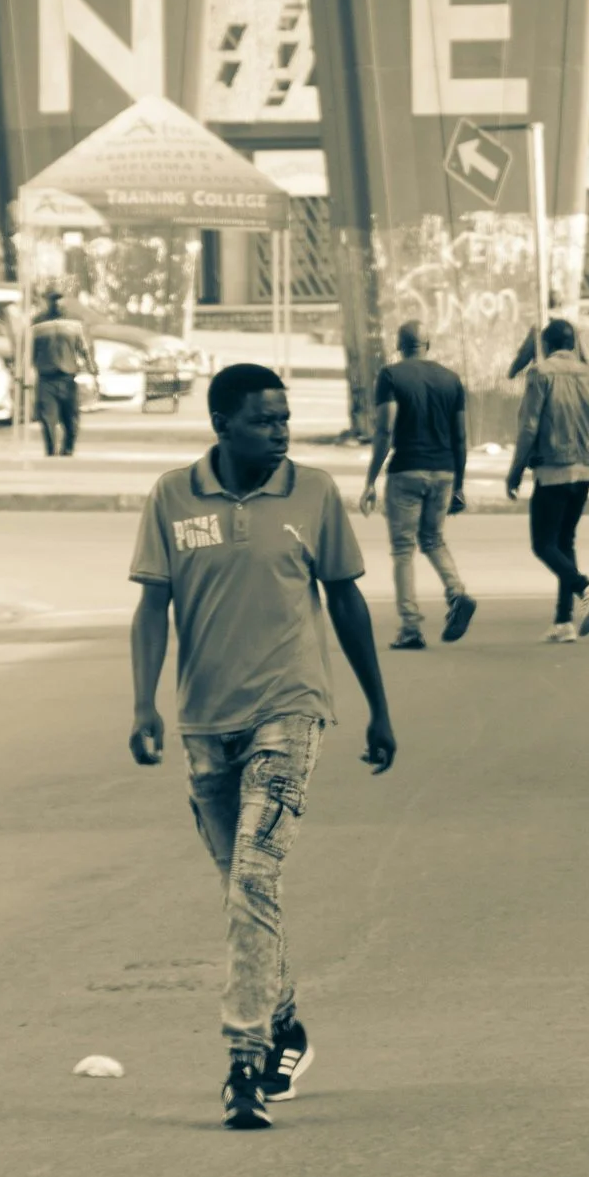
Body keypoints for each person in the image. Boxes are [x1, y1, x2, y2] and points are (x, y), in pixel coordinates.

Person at [127, 362, 397, 1130]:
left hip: (291, 708)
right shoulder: (172, 497)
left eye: (285, 418)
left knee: (254, 874)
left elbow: (344, 598)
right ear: (222, 424)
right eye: (263, 420)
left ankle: (243, 1062)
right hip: (204, 723)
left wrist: (378, 707)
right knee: (243, 889)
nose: (280, 432)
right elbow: (153, 606)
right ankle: (284, 1023)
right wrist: (143, 703)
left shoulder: (313, 493)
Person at [359, 321, 476, 649]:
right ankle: (457, 593)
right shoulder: (451, 379)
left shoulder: (391, 376)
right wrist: (459, 485)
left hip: (407, 471)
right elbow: (461, 436)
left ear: (399, 345)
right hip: (444, 471)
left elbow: (385, 429)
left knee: (402, 549)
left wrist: (370, 480)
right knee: (433, 540)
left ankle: (410, 627)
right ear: (428, 343)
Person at [504, 319, 589, 643]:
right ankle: (563, 621)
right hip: (585, 472)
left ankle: (585, 587)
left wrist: (515, 470)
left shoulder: (540, 374)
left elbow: (529, 426)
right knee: (564, 542)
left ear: (546, 344)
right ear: (573, 344)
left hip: (553, 469)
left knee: (543, 545)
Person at [30, 290, 95, 457]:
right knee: (47, 418)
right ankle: (51, 451)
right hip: (46, 378)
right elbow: (29, 351)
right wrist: (26, 371)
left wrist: (91, 368)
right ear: (46, 301)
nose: (56, 303)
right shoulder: (37, 322)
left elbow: (84, 348)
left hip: (68, 377)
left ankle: (68, 449)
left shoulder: (75, 322)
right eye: (52, 299)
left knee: (71, 419)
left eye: (59, 299)